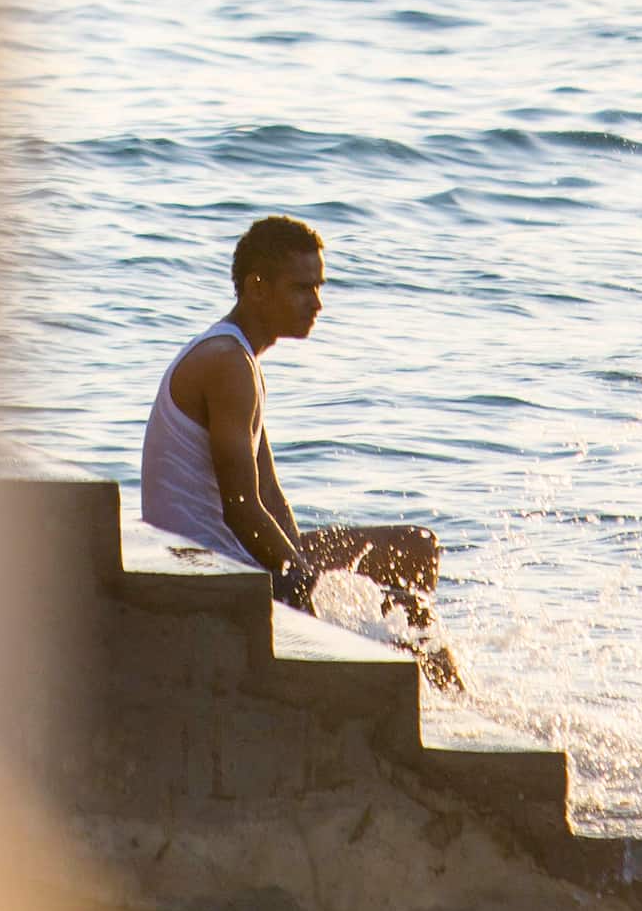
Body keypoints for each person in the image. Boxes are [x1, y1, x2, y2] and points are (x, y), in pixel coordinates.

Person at [139, 214, 457, 684]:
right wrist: (303, 589)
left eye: (319, 286)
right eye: (301, 288)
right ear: (257, 287)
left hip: (228, 555)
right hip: (211, 569)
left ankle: (430, 690)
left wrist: (307, 570)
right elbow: (242, 509)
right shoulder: (228, 365)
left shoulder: (241, 359)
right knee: (404, 576)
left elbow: (269, 493)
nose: (317, 303)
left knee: (415, 549)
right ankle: (434, 696)